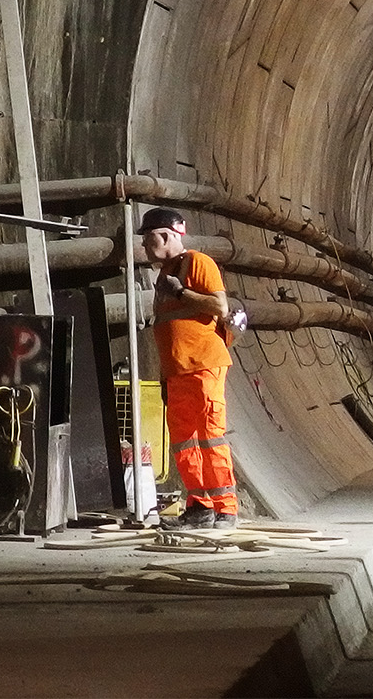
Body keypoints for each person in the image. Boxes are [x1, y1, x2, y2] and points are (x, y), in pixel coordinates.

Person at [137, 206, 240, 530]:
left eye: (148, 237)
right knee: (184, 441)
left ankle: (226, 508)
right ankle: (200, 506)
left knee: (210, 436)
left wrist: (180, 291)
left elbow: (219, 305)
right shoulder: (164, 275)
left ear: (167, 234)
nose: (144, 244)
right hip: (177, 371)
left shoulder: (197, 262)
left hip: (204, 366)